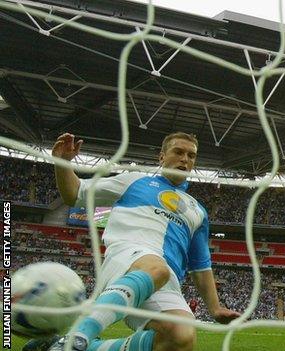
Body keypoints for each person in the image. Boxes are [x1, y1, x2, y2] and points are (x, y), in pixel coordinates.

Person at [28, 132, 240, 351]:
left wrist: (215, 308)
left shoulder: (198, 211)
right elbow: (76, 193)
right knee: (157, 268)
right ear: (161, 157)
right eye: (178, 152)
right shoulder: (135, 180)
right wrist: (63, 163)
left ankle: (67, 346)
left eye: (191, 155)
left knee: (181, 338)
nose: (185, 159)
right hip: (128, 260)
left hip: (167, 281)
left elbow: (201, 265)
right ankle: (77, 337)